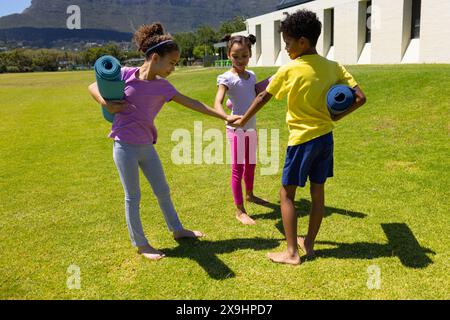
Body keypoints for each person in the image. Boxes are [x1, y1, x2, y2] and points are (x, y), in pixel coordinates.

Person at [88, 23, 241, 261]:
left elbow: (193, 103)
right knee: (133, 196)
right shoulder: (126, 73)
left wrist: (224, 115)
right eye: (171, 63)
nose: (173, 68)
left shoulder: (163, 87)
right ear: (155, 58)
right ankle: (141, 244)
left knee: (163, 190)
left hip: (147, 146)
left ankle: (177, 229)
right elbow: (93, 85)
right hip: (124, 147)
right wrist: (104, 102)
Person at [229, 10, 367, 265]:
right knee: (318, 193)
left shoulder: (290, 69)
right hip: (325, 139)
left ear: (303, 42)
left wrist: (243, 119)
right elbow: (360, 97)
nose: (286, 49)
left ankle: (292, 252)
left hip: (301, 141)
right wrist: (337, 117)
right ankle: (309, 244)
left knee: (287, 195)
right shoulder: (333, 66)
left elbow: (262, 97)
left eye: (288, 43)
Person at [214, 34, 270, 226]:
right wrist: (226, 116)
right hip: (236, 129)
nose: (240, 60)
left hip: (251, 127)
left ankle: (250, 195)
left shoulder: (251, 75)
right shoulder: (226, 77)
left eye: (244, 56)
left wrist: (274, 79)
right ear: (228, 54)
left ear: (250, 55)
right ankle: (240, 210)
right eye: (236, 56)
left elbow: (251, 93)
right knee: (238, 169)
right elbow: (218, 101)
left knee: (251, 164)